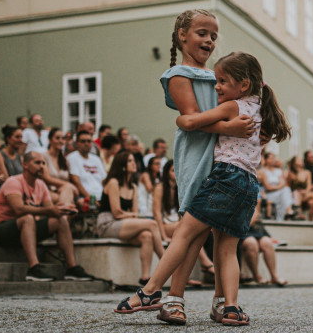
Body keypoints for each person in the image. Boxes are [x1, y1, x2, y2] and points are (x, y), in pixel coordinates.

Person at [115, 50, 289, 328]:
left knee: (183, 233)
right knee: (227, 248)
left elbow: (191, 121)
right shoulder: (262, 111)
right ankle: (230, 307)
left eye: (222, 81)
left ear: (243, 85)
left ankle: (149, 291)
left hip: (226, 178)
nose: (216, 86)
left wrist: (191, 121)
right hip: (249, 185)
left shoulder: (235, 107)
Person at [0, 151, 94, 282]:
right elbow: (19, 209)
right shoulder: (13, 182)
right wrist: (50, 210)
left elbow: (49, 209)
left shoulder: (41, 185)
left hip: (25, 231)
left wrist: (62, 211)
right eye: (37, 162)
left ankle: (72, 268)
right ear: (25, 165)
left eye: (44, 163)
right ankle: (33, 268)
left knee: (60, 221)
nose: (42, 166)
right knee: (27, 218)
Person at [96, 151, 165, 284]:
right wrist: (132, 215)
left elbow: (134, 213)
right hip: (107, 223)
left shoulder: (133, 186)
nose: (134, 163)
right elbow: (116, 212)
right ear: (122, 165)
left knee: (147, 235)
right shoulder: (113, 182)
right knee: (152, 224)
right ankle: (167, 263)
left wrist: (130, 215)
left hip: (123, 223)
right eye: (130, 161)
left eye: (134, 160)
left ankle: (145, 278)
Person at [152, 160, 215, 277]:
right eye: (172, 171)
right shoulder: (160, 187)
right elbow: (156, 214)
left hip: (175, 223)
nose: (175, 173)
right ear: (166, 173)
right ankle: (206, 263)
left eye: (177, 170)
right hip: (163, 226)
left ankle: (198, 268)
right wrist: (163, 236)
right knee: (185, 229)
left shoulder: (179, 187)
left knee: (193, 230)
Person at [240, 195, 288, 287]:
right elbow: (250, 221)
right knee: (251, 242)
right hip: (241, 231)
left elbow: (257, 221)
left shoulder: (250, 200)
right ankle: (256, 275)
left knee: (266, 242)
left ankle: (274, 276)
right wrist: (253, 216)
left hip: (254, 230)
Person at [40, 127, 79, 209]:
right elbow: (47, 178)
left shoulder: (65, 160)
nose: (61, 141)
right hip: (47, 191)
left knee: (67, 194)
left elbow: (68, 180)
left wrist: (68, 185)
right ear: (50, 140)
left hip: (63, 192)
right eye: (57, 138)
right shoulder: (43, 156)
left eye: (63, 138)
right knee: (68, 199)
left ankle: (63, 215)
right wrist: (68, 185)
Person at [67, 130, 107, 204]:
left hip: (102, 197)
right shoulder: (72, 157)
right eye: (83, 141)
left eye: (89, 141)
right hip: (85, 198)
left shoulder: (96, 159)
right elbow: (76, 181)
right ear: (77, 143)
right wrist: (90, 199)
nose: (86, 144)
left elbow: (104, 180)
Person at [287, 156, 313, 221]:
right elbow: (289, 186)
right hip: (295, 196)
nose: (301, 160)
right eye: (298, 159)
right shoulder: (291, 173)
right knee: (312, 195)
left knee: (312, 202)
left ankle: (310, 221)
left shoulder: (307, 172)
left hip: (305, 195)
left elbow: (309, 186)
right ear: (294, 162)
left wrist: (305, 191)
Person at [259, 152, 295, 221]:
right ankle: (288, 211)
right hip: (269, 194)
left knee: (286, 189)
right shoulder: (263, 171)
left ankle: (288, 211)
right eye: (271, 158)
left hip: (279, 193)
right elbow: (268, 187)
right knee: (285, 191)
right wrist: (278, 187)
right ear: (266, 160)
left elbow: (283, 184)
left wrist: (278, 186)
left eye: (274, 158)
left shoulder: (279, 171)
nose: (273, 160)